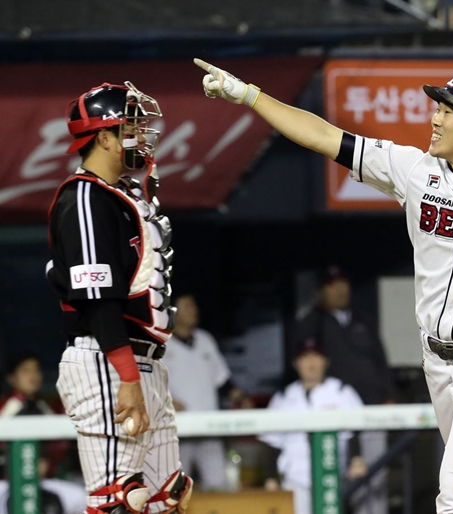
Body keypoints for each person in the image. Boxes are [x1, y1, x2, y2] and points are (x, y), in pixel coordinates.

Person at [193, 59, 453, 514]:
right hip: (439, 360)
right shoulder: (415, 170)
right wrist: (250, 96)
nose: (435, 118)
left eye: (448, 112)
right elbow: (323, 136)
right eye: (438, 109)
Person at [46, 82, 193, 514]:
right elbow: (97, 297)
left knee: (167, 498)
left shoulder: (125, 194)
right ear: (105, 137)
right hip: (106, 360)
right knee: (119, 502)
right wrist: (127, 376)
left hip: (142, 361)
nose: (142, 135)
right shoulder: (85, 197)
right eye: (131, 127)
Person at [291, 265, 395, 514]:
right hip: (335, 413)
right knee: (338, 481)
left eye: (343, 284)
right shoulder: (313, 322)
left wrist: (389, 395)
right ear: (321, 291)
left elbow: (381, 360)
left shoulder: (363, 319)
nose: (339, 290)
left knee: (375, 476)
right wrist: (319, 311)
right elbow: (301, 358)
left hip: (370, 410)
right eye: (332, 286)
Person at [259, 338, 367, 514]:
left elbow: (354, 433)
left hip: (332, 477)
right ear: (296, 363)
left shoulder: (341, 391)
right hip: (295, 479)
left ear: (326, 361)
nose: (311, 362)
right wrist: (270, 478)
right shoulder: (284, 397)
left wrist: (356, 460)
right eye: (305, 358)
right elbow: (272, 442)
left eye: (316, 357)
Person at [163, 293, 250, 491]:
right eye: (187, 306)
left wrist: (242, 398)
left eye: (194, 306)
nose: (194, 310)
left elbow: (223, 380)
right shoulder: (162, 344)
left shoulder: (205, 340)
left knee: (219, 484)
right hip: (177, 429)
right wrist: (166, 400)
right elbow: (148, 384)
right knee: (172, 488)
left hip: (209, 425)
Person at [0, 352, 85, 514]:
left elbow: (62, 446)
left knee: (80, 498)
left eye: (36, 370)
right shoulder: (6, 406)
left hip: (46, 482)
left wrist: (46, 461)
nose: (32, 376)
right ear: (12, 378)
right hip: (6, 482)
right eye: (25, 371)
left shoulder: (46, 407)